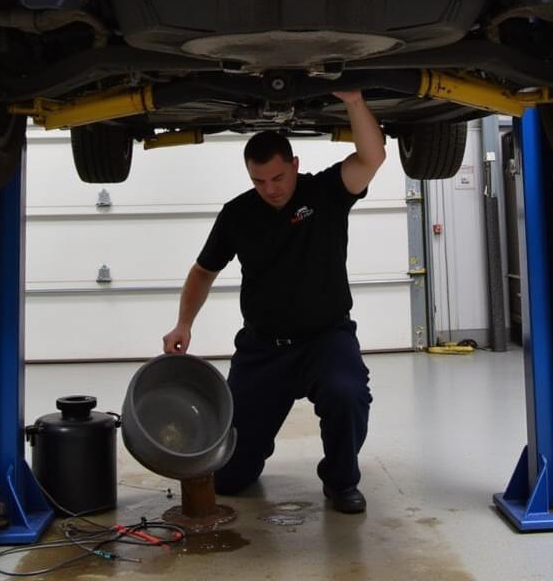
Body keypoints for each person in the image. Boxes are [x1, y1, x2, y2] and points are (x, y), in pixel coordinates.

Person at [162, 90, 386, 514]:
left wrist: (355, 101)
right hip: (263, 350)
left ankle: (340, 482)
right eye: (259, 182)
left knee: (347, 393)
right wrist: (183, 324)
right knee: (229, 479)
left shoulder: (326, 192)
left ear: (295, 166)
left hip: (326, 339)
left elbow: (372, 158)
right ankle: (246, 457)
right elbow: (203, 272)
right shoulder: (238, 214)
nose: (271, 190)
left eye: (278, 178)